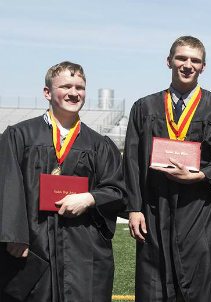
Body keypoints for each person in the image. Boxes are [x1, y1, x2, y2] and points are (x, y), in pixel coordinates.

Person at [124, 36, 211, 301]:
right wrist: (134, 208)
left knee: (202, 280)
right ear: (169, 61)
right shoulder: (145, 107)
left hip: (200, 207)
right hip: (156, 206)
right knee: (156, 279)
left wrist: (202, 175)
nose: (187, 65)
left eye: (195, 60)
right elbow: (132, 161)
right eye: (181, 58)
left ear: (203, 67)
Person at [0, 61, 126, 301]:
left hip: (83, 245)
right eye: (66, 86)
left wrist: (90, 198)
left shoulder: (98, 144)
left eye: (80, 87)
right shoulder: (20, 135)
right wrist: (14, 235)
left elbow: (118, 189)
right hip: (34, 243)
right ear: (47, 92)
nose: (74, 92)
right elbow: (7, 185)